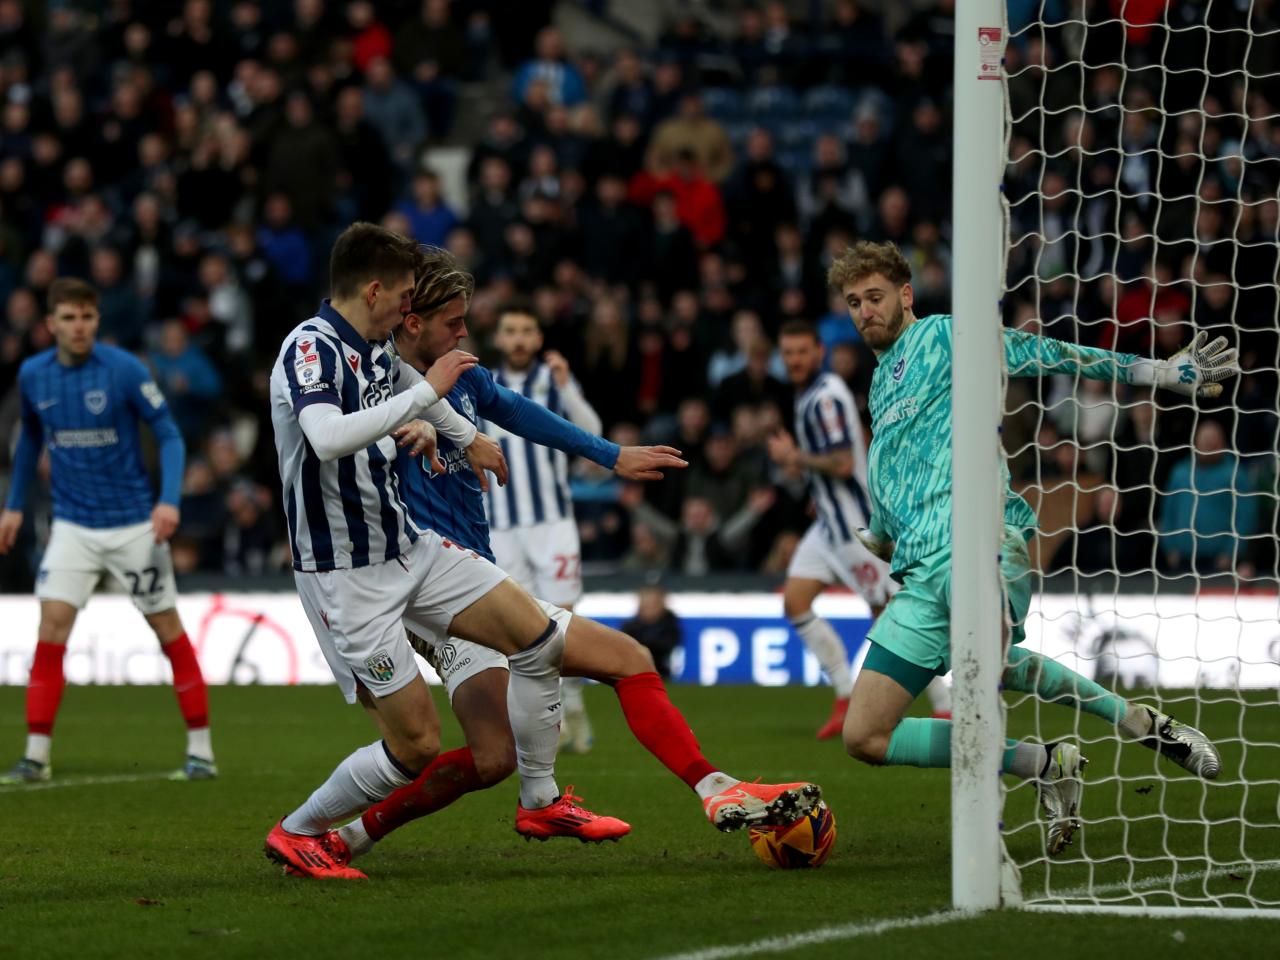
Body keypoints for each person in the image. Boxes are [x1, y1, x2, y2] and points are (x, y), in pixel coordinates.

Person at [326, 244, 824, 866]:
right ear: (411, 320)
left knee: (491, 756)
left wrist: (613, 454)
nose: (466, 332)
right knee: (623, 657)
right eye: (455, 322)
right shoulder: (373, 385)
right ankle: (705, 788)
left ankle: (350, 837)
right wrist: (413, 429)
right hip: (424, 589)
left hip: (469, 573)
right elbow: (341, 454)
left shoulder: (460, 372)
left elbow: (516, 411)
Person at [830, 240, 1231, 856]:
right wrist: (883, 530)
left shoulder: (941, 336)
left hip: (982, 542)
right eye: (854, 302)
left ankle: (1138, 725)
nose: (864, 311)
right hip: (919, 571)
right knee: (865, 736)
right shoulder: (884, 381)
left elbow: (1041, 351)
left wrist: (1155, 373)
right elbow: (896, 463)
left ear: (905, 295)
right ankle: (1047, 762)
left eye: (875, 297)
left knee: (981, 673)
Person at [0, 278, 216, 784]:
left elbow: (168, 434)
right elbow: (31, 440)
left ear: (98, 320)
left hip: (134, 527)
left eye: (88, 317)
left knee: (167, 630)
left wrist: (167, 501)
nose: (79, 327)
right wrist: (13, 507)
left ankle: (202, 751)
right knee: (50, 629)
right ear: (50, 323)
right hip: (72, 526)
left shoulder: (123, 370)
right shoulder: (34, 375)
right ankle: (35, 755)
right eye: (70, 318)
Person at [767, 320, 950, 740]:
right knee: (796, 601)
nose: (794, 360)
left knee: (888, 613)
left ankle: (946, 703)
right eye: (788, 353)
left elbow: (843, 464)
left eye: (801, 352)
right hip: (827, 527)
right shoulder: (809, 395)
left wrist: (796, 458)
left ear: (819, 352)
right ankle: (845, 694)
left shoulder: (825, 398)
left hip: (856, 525)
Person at [483, 302, 599, 754]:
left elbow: (591, 432)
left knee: (565, 619)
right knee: (523, 630)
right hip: (501, 526)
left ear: (537, 339)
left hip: (552, 522)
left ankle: (573, 708)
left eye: (526, 330)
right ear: (500, 338)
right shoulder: (480, 384)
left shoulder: (553, 382)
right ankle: (550, 721)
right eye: (510, 329)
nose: (517, 338)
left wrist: (568, 385)